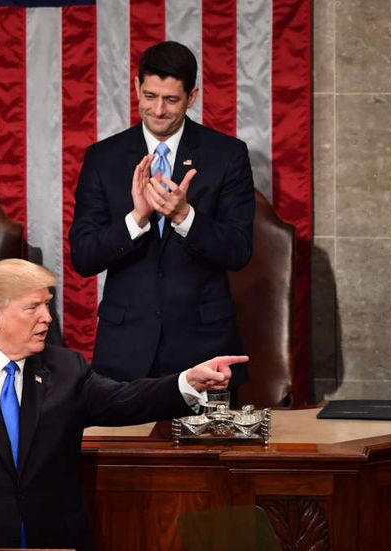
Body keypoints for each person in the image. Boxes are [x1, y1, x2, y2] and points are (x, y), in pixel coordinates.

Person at [0, 259, 247, 550]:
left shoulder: (65, 369)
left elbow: (125, 400)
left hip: (51, 542)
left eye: (47, 306)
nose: (47, 318)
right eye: (33, 307)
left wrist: (187, 381)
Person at [69, 41, 255, 389]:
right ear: (136, 86)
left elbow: (239, 250)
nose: (158, 110)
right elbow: (84, 256)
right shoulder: (103, 157)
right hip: (125, 350)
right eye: (150, 96)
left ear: (192, 96)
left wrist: (185, 216)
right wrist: (136, 219)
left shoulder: (226, 155)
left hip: (203, 345)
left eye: (171, 100)